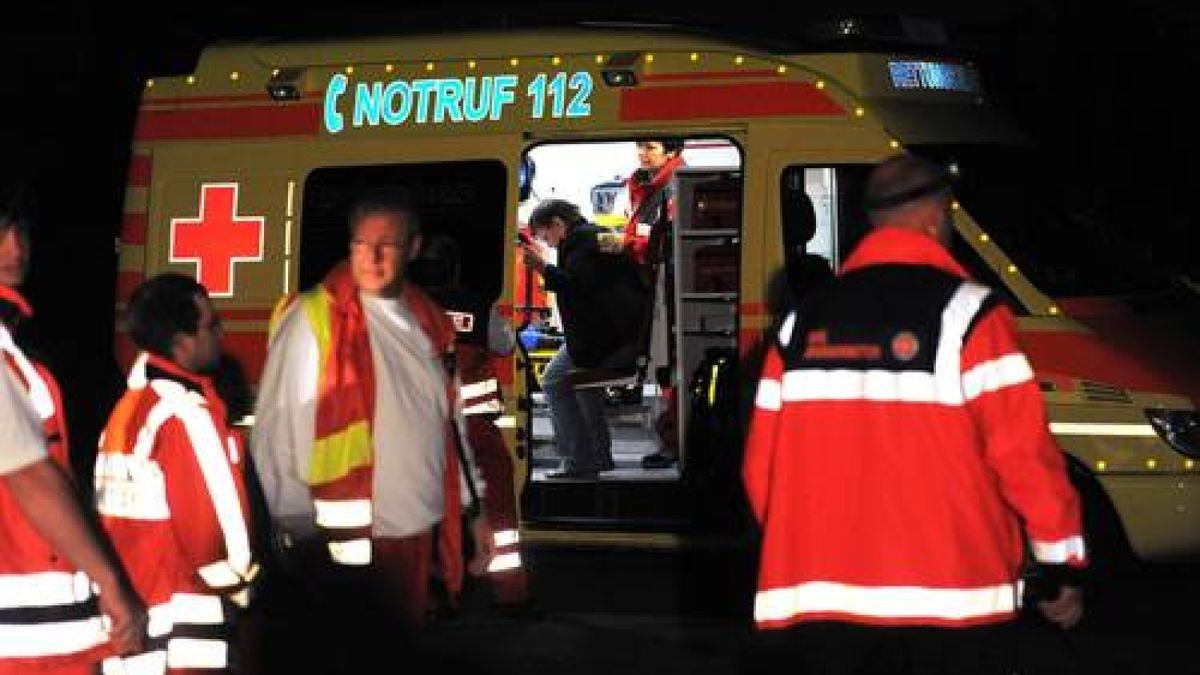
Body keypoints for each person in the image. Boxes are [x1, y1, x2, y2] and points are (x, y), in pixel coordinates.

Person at [741, 152, 1087, 675]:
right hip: (952, 603)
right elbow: (1023, 456)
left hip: (821, 609)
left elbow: (759, 472)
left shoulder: (800, 323)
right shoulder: (971, 315)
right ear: (936, 217)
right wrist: (1061, 566)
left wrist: (813, 542)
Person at [252, 192, 492, 673]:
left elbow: (451, 426)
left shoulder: (428, 322)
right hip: (344, 542)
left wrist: (475, 511)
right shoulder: (313, 318)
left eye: (388, 244)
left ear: (414, 248)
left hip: (415, 535)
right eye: (362, 244)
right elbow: (276, 433)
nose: (373, 257)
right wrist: (294, 529)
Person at [0, 209, 145, 674]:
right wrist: (110, 582)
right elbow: (28, 474)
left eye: (21, 230)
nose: (16, 249)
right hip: (27, 638)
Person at [94, 273, 258, 675]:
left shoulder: (129, 410)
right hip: (185, 633)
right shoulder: (184, 414)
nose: (220, 332)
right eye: (211, 324)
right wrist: (246, 588)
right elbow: (213, 536)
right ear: (182, 340)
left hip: (137, 626)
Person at [411, 233, 534, 615]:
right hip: (474, 430)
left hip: (420, 433)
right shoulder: (479, 309)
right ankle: (510, 596)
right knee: (498, 510)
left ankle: (433, 597)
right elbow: (504, 344)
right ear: (456, 270)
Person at [521, 199, 647, 479]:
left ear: (557, 224)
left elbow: (578, 285)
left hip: (600, 337)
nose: (549, 244)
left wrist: (543, 268)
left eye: (545, 235)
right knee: (585, 386)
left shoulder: (580, 242)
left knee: (554, 380)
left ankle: (578, 460)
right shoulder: (597, 234)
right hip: (618, 332)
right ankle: (598, 456)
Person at [613, 138, 686, 266]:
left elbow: (668, 244)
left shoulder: (679, 187)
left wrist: (623, 243)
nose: (641, 152)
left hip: (661, 270)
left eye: (650, 148)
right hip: (642, 266)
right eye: (639, 146)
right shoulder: (640, 184)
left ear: (671, 152)